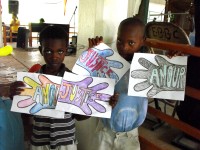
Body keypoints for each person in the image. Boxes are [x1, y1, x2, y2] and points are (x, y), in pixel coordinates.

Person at [8, 25, 90, 150]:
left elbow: (80, 117)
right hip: (40, 141)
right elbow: (25, 113)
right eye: (48, 51)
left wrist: (89, 106)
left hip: (66, 142)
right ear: (41, 50)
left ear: (66, 50)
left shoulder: (74, 81)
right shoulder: (32, 81)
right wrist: (15, 97)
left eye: (60, 51)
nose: (54, 56)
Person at [88, 17, 148, 150]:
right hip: (104, 130)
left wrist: (172, 62)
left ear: (143, 41)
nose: (124, 47)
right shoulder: (108, 62)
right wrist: (92, 54)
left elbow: (166, 84)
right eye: (120, 41)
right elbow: (90, 85)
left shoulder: (148, 68)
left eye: (131, 42)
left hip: (130, 134)